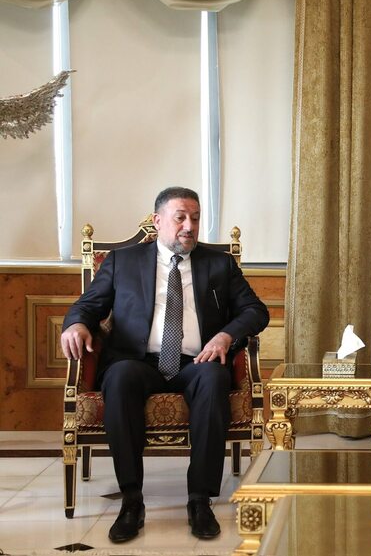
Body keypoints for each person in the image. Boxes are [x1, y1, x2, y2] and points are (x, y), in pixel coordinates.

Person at [60, 187, 269, 543]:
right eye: (180, 218)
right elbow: (86, 306)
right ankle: (131, 500)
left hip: (196, 360)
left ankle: (199, 500)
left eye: (196, 219)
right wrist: (77, 324)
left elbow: (255, 311)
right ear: (158, 221)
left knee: (213, 379)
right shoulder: (121, 262)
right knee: (120, 377)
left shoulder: (218, 265)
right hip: (137, 360)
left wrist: (225, 336)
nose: (189, 226)